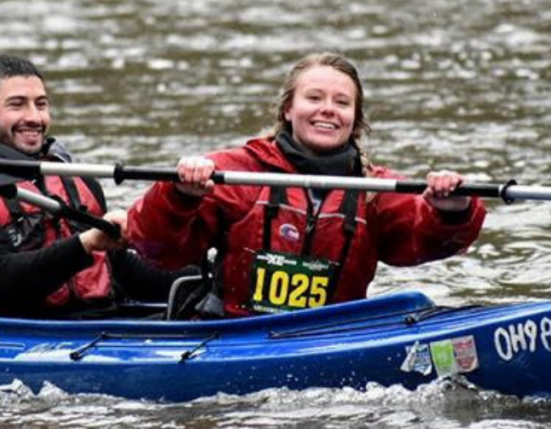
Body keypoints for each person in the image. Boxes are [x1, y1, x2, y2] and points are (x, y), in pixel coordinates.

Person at [127, 52, 486, 318]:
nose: (328, 109)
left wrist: (452, 210)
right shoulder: (234, 172)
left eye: (342, 103)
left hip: (332, 335)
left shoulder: (375, 189)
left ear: (355, 120)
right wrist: (179, 194)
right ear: (288, 109)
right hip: (234, 334)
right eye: (314, 98)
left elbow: (423, 241)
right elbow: (153, 247)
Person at [0, 54, 189, 317]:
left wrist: (212, 275)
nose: (34, 117)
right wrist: (84, 244)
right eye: (17, 105)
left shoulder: (76, 180)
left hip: (98, 325)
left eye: (41, 104)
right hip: (10, 335)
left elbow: (121, 270)